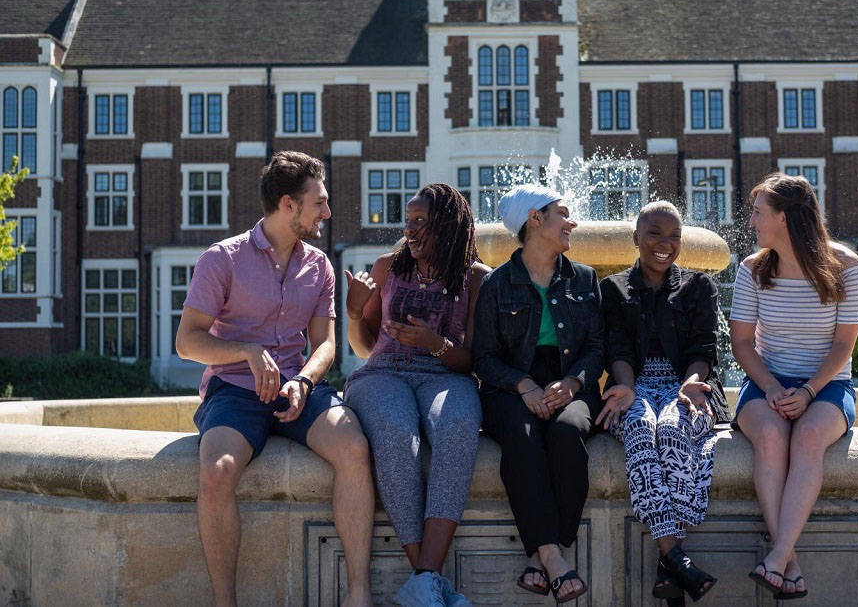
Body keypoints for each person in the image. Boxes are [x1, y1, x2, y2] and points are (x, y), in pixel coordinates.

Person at [176, 151, 374, 607]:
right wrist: (247, 352)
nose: (327, 212)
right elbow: (187, 341)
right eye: (319, 202)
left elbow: (325, 344)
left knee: (355, 448)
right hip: (235, 392)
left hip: (299, 390)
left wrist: (304, 381)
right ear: (288, 205)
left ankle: (358, 594)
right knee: (216, 470)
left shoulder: (320, 266)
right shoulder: (221, 259)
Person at [343, 183, 489, 607]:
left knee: (460, 425)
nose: (411, 228)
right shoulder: (388, 267)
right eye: (408, 220)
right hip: (383, 374)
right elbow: (366, 346)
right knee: (393, 432)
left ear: (449, 223)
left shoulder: (477, 278)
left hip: (445, 375)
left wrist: (432, 343)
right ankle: (429, 582)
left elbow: (472, 360)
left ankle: (424, 582)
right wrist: (354, 314)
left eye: (421, 220)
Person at [729, 172, 858, 601]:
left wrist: (808, 391)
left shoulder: (846, 266)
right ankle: (787, 564)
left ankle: (779, 557)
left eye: (757, 212)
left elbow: (844, 346)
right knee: (770, 435)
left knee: (807, 437)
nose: (751, 221)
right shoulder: (753, 269)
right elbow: (741, 343)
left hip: (827, 385)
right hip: (765, 381)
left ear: (784, 218)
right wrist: (770, 388)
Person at [472, 184, 604, 604]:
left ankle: (542, 555)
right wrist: (523, 385)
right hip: (511, 387)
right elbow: (484, 358)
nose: (573, 222)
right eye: (563, 213)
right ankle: (554, 556)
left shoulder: (584, 278)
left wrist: (573, 384)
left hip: (571, 381)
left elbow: (597, 348)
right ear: (535, 220)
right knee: (523, 437)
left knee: (567, 433)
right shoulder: (497, 284)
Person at [597, 201, 727, 603]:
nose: (664, 244)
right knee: (638, 426)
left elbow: (704, 349)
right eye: (654, 233)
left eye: (674, 236)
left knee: (672, 430)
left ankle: (668, 562)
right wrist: (627, 387)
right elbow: (616, 348)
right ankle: (674, 555)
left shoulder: (698, 286)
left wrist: (690, 384)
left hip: (689, 383)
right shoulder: (613, 289)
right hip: (631, 382)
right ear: (636, 237)